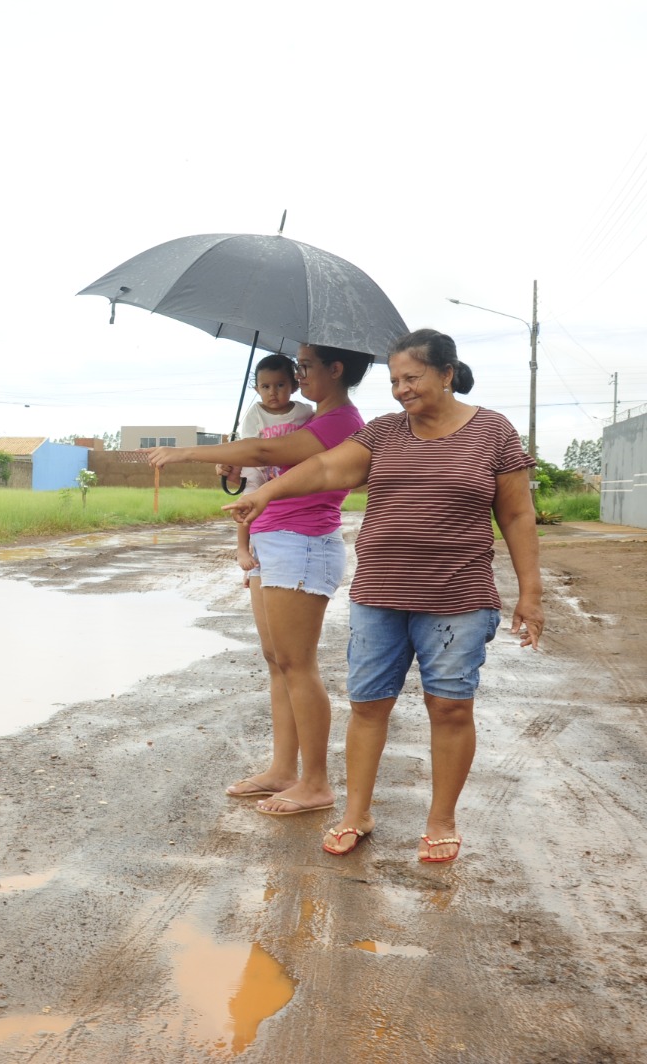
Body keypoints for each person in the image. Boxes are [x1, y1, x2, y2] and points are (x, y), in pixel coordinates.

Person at [227, 328, 544, 863]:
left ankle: (440, 820)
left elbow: (516, 514)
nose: (401, 390)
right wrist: (265, 492)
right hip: (379, 593)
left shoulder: (494, 432)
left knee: (448, 708)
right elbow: (328, 467)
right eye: (395, 380)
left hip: (458, 596)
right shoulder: (384, 433)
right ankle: (356, 813)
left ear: (447, 374)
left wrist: (530, 594)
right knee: (369, 706)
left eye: (412, 378)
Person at [148, 344, 372, 817]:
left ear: (336, 369)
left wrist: (185, 450)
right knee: (277, 661)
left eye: (305, 367)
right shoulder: (313, 419)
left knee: (297, 662)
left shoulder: (341, 422)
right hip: (273, 539)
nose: (298, 374)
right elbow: (263, 460)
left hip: (303, 541)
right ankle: (283, 770)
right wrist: (233, 469)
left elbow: (268, 448)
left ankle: (315, 783)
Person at [220, 353, 314, 584]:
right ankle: (243, 549)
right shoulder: (255, 414)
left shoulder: (304, 412)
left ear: (293, 385)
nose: (272, 392)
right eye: (265, 386)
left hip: (288, 470)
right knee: (247, 502)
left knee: (272, 516)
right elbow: (249, 447)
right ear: (256, 389)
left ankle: (259, 561)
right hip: (259, 468)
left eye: (280, 385)